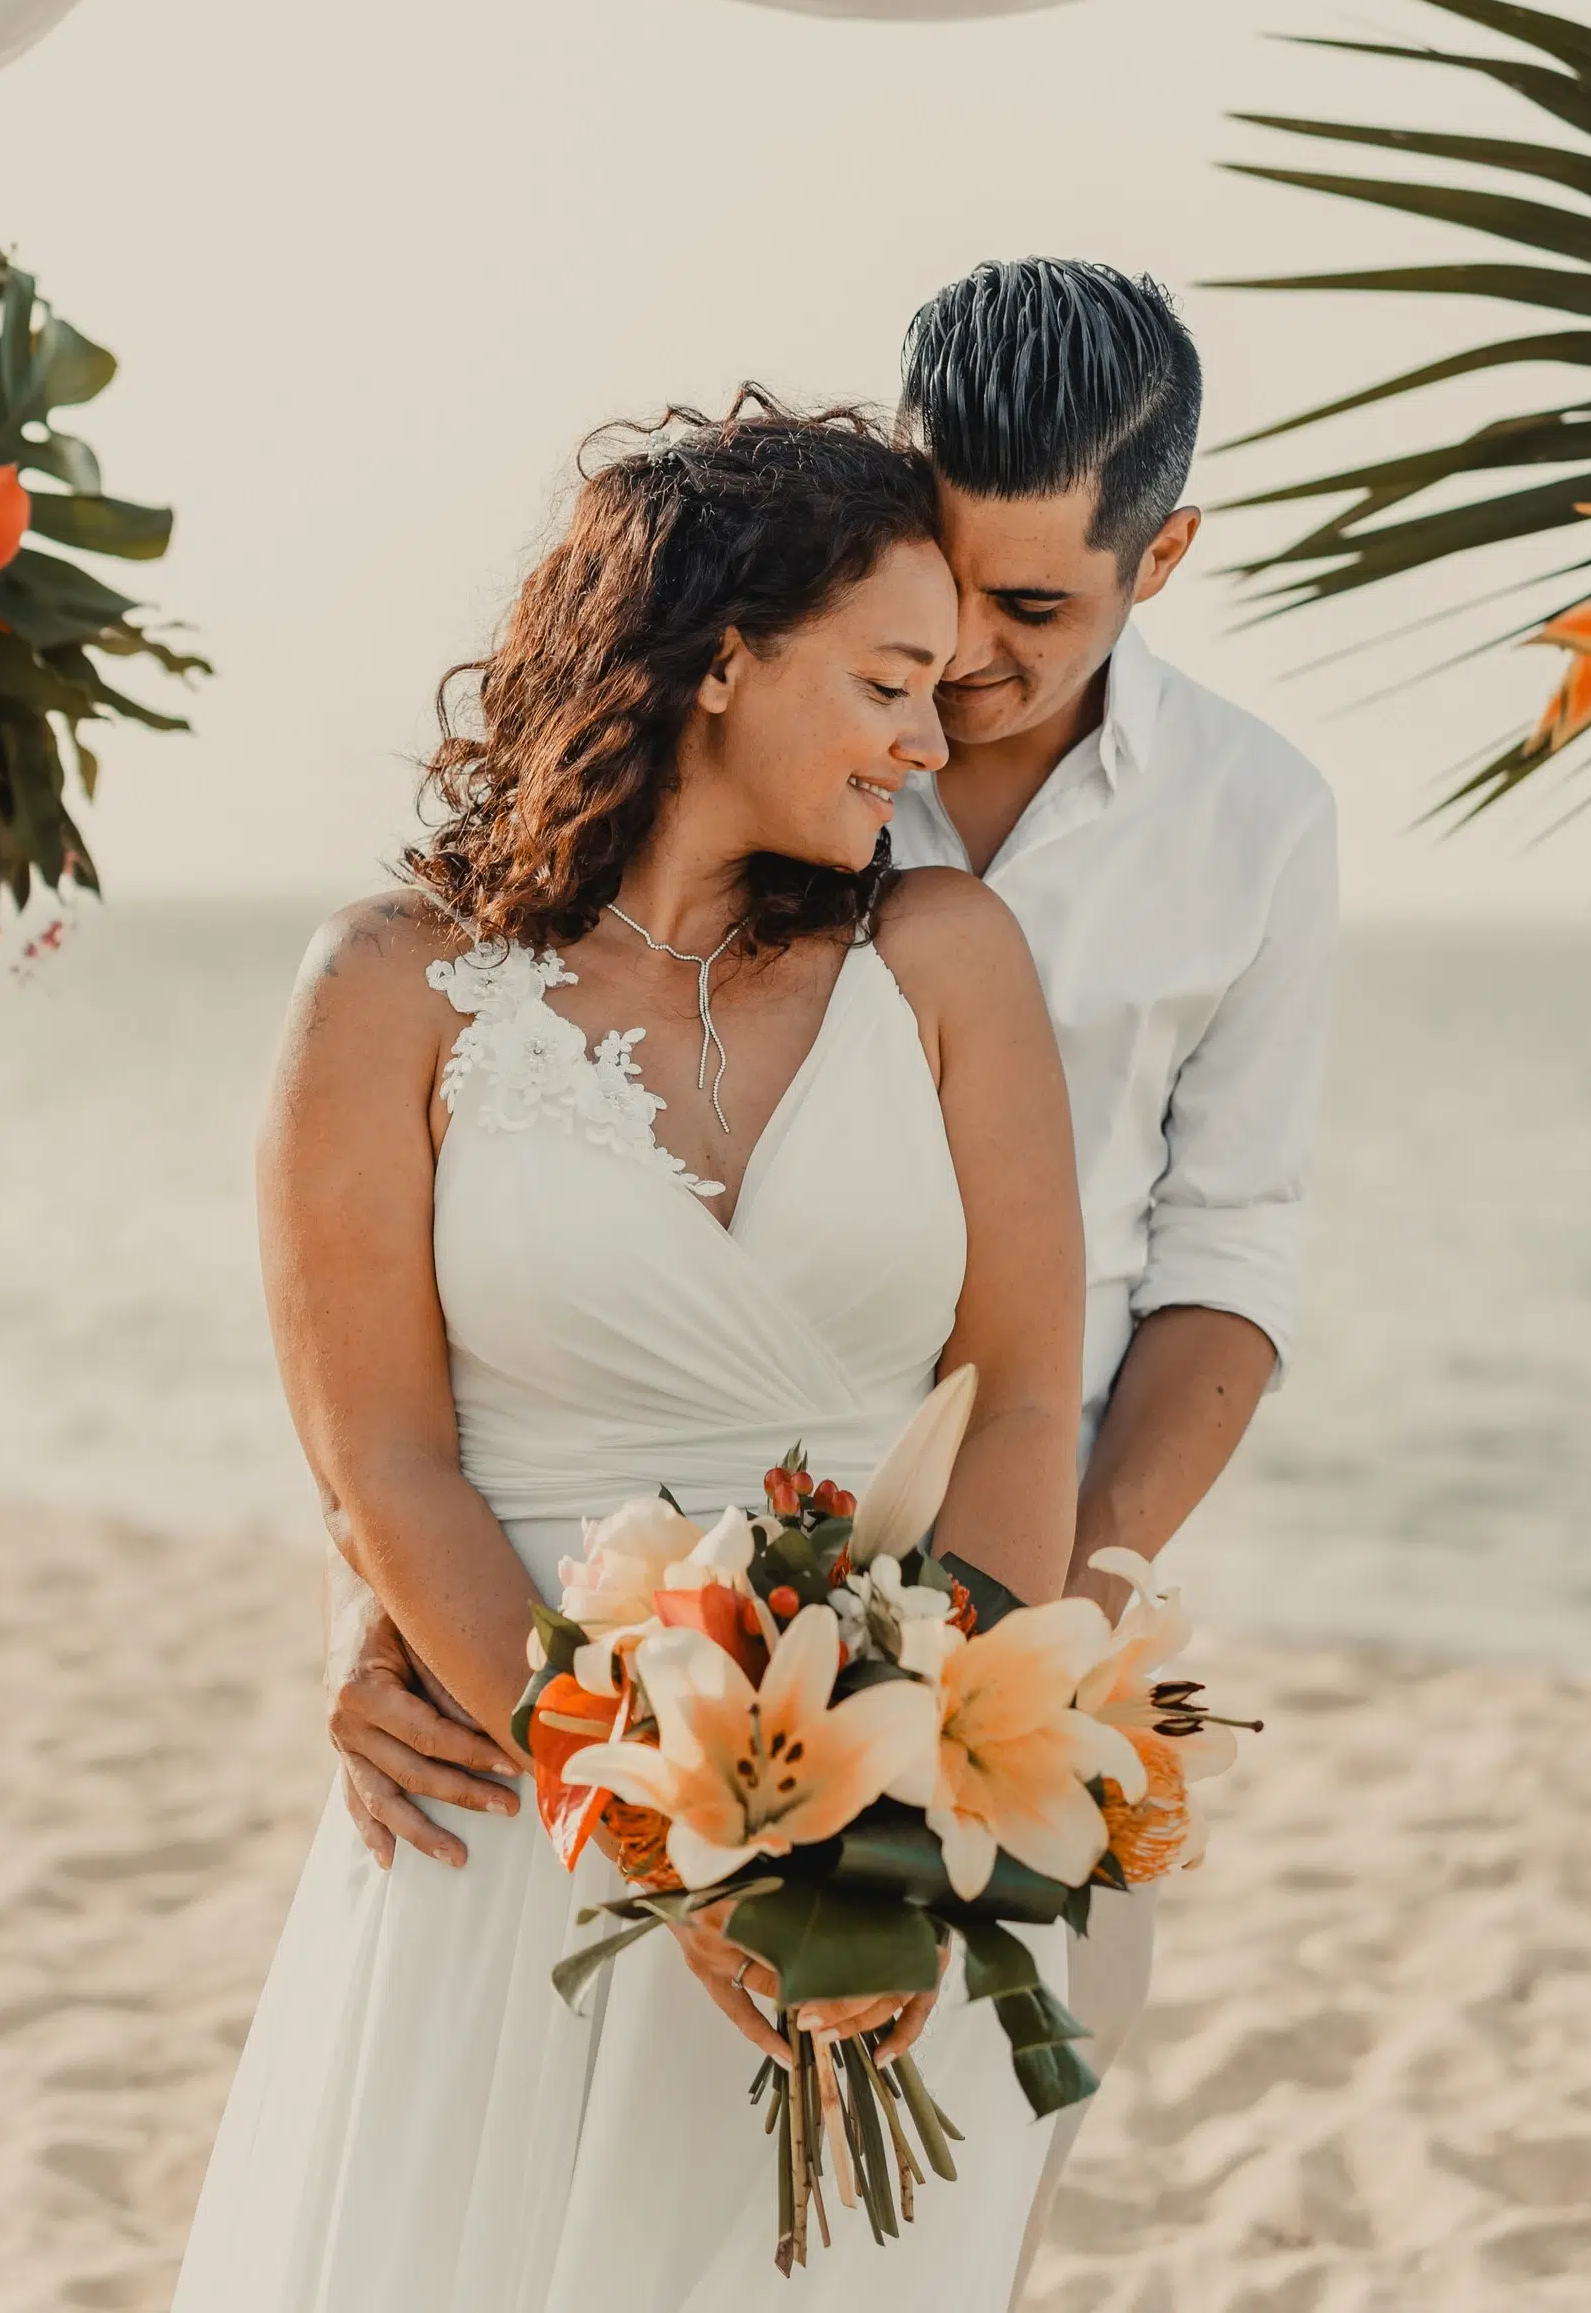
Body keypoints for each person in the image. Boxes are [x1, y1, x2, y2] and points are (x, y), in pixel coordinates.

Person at [326, 264, 1340, 2301]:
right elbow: (461, 1271)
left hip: (1015, 1595)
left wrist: (1010, 1653)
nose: (953, 675)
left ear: (1162, 561)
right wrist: (401, 1588)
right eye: (923, 606)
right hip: (587, 1639)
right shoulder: (749, 773)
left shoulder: (1250, 823)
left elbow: (1222, 1263)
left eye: (1025, 612)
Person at [172, 395, 1091, 2313]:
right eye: (888, 683)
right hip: (522, 1808)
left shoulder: (946, 957)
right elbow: (382, 1462)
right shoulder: (389, 989)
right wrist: (667, 1848)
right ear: (720, 661)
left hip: (884, 1828)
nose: (930, 742)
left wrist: (916, 1804)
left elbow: (1017, 1397)